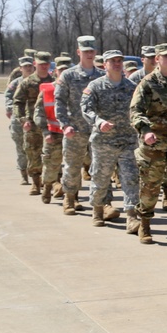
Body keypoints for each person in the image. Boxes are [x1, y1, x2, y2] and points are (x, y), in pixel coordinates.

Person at [129, 43, 167, 239]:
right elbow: (135, 111)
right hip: (153, 143)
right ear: (157, 59)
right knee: (150, 186)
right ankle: (144, 222)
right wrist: (145, 130)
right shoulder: (147, 83)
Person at [81, 50, 140, 228]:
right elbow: (86, 108)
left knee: (131, 178)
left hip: (128, 141)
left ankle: (131, 216)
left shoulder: (131, 87)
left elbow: (139, 109)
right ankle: (98, 210)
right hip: (103, 142)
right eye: (112, 61)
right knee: (101, 177)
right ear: (105, 64)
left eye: (119, 61)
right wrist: (98, 122)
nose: (116, 64)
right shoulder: (95, 86)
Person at [55, 35, 104, 216]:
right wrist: (64, 124)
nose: (89, 54)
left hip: (97, 130)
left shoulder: (102, 75)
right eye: (86, 51)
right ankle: (70, 198)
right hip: (75, 129)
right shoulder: (68, 75)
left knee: (100, 167)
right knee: (72, 166)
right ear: (78, 52)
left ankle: (102, 203)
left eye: (92, 51)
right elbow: (59, 101)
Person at [13, 51, 54, 196]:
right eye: (41, 64)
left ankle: (52, 182)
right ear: (35, 64)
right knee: (33, 153)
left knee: (52, 155)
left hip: (51, 124)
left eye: (46, 64)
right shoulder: (27, 82)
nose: (44, 66)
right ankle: (36, 183)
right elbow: (17, 102)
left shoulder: (54, 82)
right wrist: (23, 120)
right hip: (32, 125)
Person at [33, 56, 72, 203]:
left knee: (73, 167)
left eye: (66, 70)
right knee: (51, 165)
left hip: (73, 134)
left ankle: (71, 197)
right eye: (61, 70)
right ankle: (48, 187)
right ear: (55, 71)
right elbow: (39, 112)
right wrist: (45, 132)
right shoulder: (48, 89)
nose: (63, 73)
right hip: (53, 133)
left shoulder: (76, 89)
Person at [5, 57, 34, 185]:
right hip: (18, 121)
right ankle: (23, 174)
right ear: (20, 68)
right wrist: (10, 109)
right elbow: (8, 97)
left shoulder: (37, 81)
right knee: (21, 147)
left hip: (33, 119)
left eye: (30, 66)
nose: (28, 68)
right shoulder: (15, 83)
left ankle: (36, 176)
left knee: (35, 149)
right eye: (25, 66)